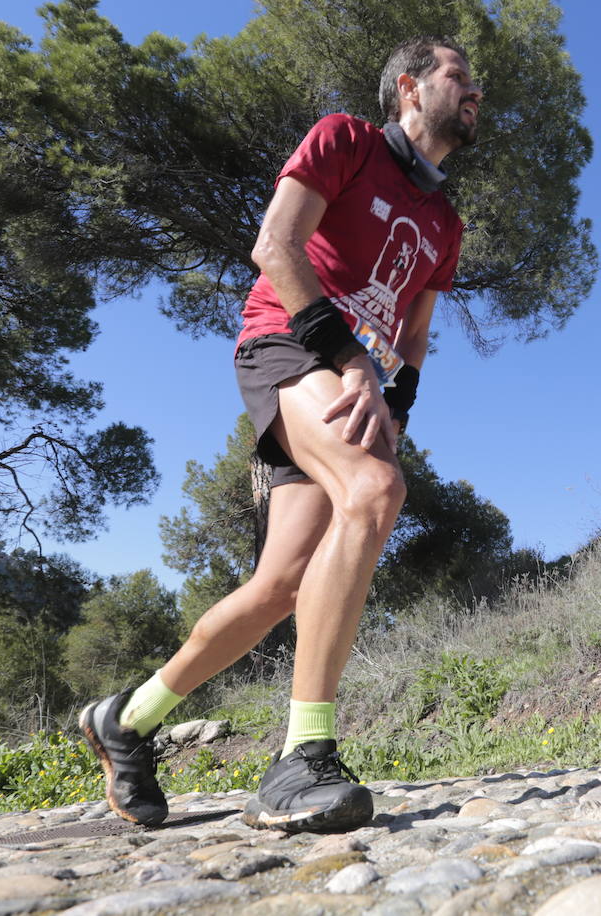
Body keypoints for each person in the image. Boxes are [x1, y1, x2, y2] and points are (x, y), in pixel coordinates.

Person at [78, 36, 483, 834]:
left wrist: (394, 407)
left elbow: (416, 334)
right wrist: (348, 359)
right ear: (409, 87)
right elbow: (275, 246)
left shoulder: (446, 222)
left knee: (278, 588)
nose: (475, 94)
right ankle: (304, 756)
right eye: (459, 78)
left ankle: (126, 718)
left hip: (353, 381)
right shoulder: (347, 141)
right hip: (287, 344)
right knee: (374, 490)